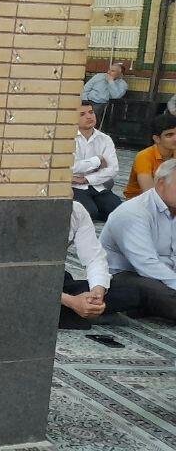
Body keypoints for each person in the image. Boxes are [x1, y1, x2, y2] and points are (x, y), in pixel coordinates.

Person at [99, 158, 176, 321]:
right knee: (150, 289)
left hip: (165, 273)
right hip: (126, 276)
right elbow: (146, 264)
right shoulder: (134, 212)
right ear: (161, 183)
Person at [59, 201, 119, 329]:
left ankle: (84, 309)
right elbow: (16, 278)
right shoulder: (18, 210)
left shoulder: (76, 210)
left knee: (130, 290)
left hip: (56, 279)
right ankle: (72, 311)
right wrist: (71, 301)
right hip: (20, 285)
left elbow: (94, 258)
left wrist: (97, 293)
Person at [74, 101, 122, 221]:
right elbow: (70, 166)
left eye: (91, 112)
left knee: (118, 210)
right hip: (73, 186)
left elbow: (113, 169)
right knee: (89, 213)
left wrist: (86, 179)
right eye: (82, 114)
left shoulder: (105, 139)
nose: (89, 117)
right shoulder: (68, 138)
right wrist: (98, 160)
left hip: (96, 184)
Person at [124, 113, 176, 199]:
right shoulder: (144, 156)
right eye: (169, 135)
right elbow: (149, 192)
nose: (175, 139)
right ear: (157, 139)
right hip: (141, 200)